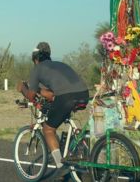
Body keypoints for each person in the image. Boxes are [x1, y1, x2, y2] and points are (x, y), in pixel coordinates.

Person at [16, 42, 89, 180]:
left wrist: (22, 89)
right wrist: (40, 91)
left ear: (35, 59)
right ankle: (77, 147)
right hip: (83, 94)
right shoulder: (59, 65)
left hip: (66, 97)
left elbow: (31, 96)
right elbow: (53, 93)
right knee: (62, 116)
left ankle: (62, 168)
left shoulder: (37, 69)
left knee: (48, 129)